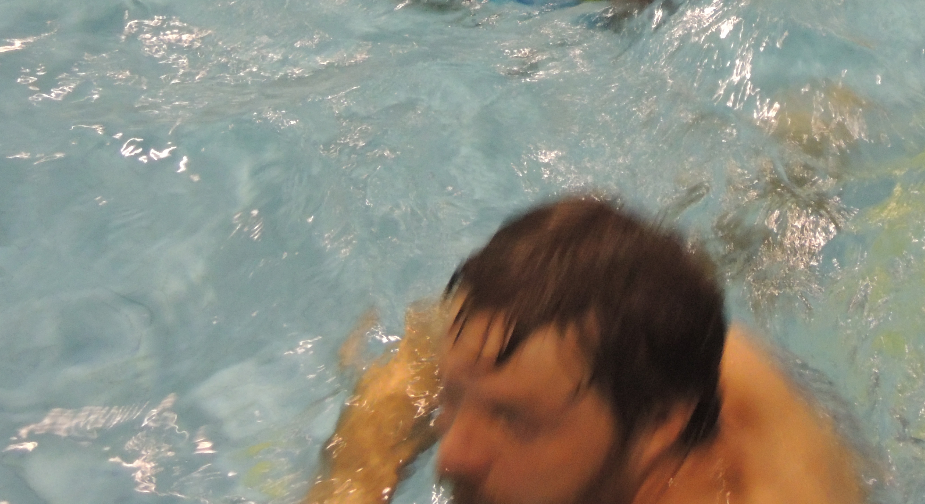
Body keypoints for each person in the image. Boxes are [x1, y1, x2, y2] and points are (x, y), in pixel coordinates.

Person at [303, 196, 866, 504]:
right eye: (455, 400)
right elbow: (419, 359)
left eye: (514, 420)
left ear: (660, 426)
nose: (453, 457)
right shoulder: (533, 350)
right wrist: (351, 488)